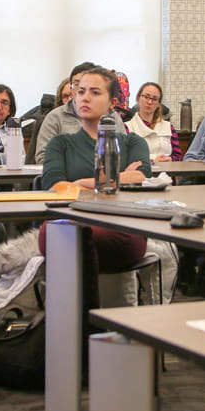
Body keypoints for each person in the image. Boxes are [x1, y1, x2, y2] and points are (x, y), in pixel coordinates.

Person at [40, 66, 150, 271]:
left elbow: (141, 177)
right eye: (80, 92)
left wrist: (81, 183)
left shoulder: (132, 142)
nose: (85, 98)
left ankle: (86, 300)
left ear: (112, 103)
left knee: (87, 236)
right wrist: (118, 178)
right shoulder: (60, 144)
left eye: (95, 92)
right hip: (71, 219)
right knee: (60, 232)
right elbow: (55, 187)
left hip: (121, 223)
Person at [33, 61, 126, 165]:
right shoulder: (55, 117)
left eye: (92, 89)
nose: (83, 92)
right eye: (77, 84)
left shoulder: (113, 117)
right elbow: (43, 158)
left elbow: (123, 155)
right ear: (71, 88)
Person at [125, 81, 182, 162]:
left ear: (159, 103)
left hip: (167, 171)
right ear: (138, 98)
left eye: (154, 99)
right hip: (141, 172)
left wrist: (170, 159)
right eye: (146, 97)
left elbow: (179, 157)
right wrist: (153, 161)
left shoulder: (168, 127)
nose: (149, 102)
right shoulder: (128, 127)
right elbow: (127, 158)